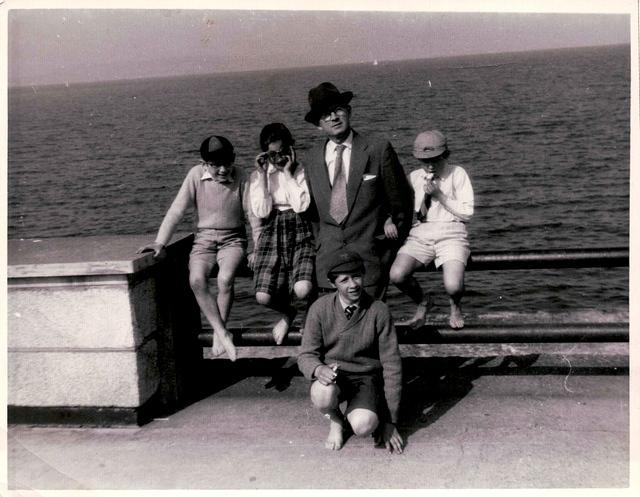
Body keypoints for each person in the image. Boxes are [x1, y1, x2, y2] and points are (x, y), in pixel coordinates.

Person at [137, 135, 261, 361]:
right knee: (196, 280)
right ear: (205, 164)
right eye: (216, 165)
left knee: (225, 279)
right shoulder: (195, 175)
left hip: (233, 239)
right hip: (203, 240)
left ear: (233, 160)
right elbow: (177, 211)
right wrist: (160, 242)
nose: (223, 170)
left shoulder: (242, 176)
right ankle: (222, 332)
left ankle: (218, 333)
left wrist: (257, 247)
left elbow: (253, 216)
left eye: (227, 163)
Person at [303, 82, 413, 299]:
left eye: (338, 110)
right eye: (325, 115)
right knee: (331, 330)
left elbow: (402, 205)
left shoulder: (377, 149)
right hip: (328, 269)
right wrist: (322, 246)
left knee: (368, 329)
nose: (333, 117)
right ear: (318, 124)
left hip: (369, 266)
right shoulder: (312, 158)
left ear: (349, 111)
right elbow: (312, 215)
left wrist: (386, 253)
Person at [298, 250, 404, 453]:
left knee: (364, 426)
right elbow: (306, 355)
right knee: (322, 394)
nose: (353, 284)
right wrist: (318, 369)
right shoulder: (319, 308)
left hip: (366, 377)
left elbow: (392, 365)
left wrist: (390, 420)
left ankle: (366, 409)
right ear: (332, 284)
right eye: (344, 280)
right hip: (335, 375)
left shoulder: (378, 310)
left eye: (356, 276)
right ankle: (337, 420)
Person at [389, 130, 474, 329]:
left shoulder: (457, 173)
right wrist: (388, 220)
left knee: (453, 286)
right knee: (397, 275)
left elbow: (467, 213)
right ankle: (423, 300)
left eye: (435, 159)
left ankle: (455, 305)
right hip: (421, 234)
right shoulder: (415, 177)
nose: (429, 165)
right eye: (423, 160)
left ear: (446, 155)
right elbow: (397, 204)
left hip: (451, 233)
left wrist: (440, 196)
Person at [248, 123, 315, 344]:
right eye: (273, 154)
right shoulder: (258, 176)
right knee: (263, 296)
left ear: (290, 149)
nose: (278, 158)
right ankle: (288, 313)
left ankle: (310, 319)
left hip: (299, 228)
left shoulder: (299, 171)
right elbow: (261, 211)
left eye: (283, 152)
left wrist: (287, 174)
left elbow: (301, 206)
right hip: (272, 229)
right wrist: (264, 177)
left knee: (303, 288)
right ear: (265, 153)